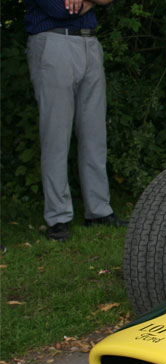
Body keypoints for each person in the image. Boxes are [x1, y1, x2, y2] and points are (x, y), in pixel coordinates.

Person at [25, 0, 126, 242]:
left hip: (89, 43)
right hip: (53, 42)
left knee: (94, 134)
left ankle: (99, 210)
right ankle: (58, 217)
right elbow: (60, 10)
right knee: (56, 137)